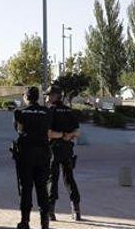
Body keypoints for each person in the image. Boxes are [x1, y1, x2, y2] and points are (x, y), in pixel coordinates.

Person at [11, 86, 52, 229]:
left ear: (26, 97)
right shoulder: (47, 112)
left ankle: (25, 221)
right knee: (42, 188)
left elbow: (18, 129)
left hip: (26, 154)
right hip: (43, 153)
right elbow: (49, 130)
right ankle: (44, 222)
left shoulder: (20, 112)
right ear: (38, 97)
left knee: (26, 188)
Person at [46, 85, 81, 221]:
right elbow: (77, 133)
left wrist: (60, 135)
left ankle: (50, 211)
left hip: (54, 149)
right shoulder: (69, 111)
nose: (48, 97)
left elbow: (48, 133)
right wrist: (68, 135)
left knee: (52, 179)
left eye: (50, 95)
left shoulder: (50, 111)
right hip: (68, 150)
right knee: (69, 179)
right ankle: (76, 210)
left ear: (56, 96)